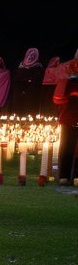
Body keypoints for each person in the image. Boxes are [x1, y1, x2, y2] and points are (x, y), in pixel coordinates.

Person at [53, 58, 78, 186]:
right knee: (67, 148)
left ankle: (76, 177)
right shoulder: (69, 81)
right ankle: (64, 175)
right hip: (69, 119)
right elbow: (58, 99)